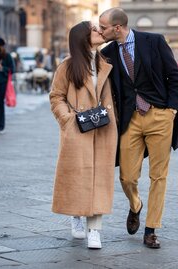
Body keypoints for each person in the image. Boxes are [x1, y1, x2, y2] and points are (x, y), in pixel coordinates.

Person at [99, 8, 178, 249]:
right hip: (130, 119)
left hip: (159, 115)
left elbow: (174, 76)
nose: (100, 30)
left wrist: (172, 110)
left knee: (159, 176)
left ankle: (151, 229)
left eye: (103, 27)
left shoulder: (154, 41)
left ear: (117, 27)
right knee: (126, 176)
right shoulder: (107, 53)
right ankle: (135, 205)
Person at [49, 21, 118, 249]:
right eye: (94, 29)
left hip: (102, 128)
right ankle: (76, 215)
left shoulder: (104, 63)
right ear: (83, 37)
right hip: (78, 128)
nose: (100, 31)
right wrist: (67, 120)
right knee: (77, 177)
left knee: (100, 179)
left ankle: (95, 230)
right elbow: (56, 96)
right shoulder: (67, 67)